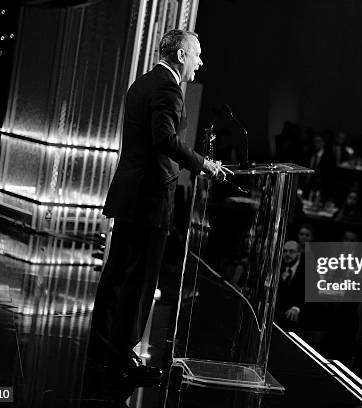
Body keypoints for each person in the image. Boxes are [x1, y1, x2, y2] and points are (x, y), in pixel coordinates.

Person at [88, 29, 230, 385]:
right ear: (181, 56)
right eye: (197, 54)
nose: (201, 61)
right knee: (137, 282)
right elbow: (164, 139)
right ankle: (120, 361)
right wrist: (204, 163)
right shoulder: (168, 88)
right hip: (149, 198)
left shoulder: (142, 83)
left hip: (130, 194)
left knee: (117, 276)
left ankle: (103, 352)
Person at [275, 240, 305, 328]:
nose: (287, 254)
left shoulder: (308, 270)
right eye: (285, 251)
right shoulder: (278, 267)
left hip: (299, 317)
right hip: (278, 315)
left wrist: (296, 308)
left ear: (299, 253)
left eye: (291, 251)